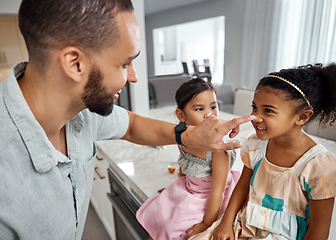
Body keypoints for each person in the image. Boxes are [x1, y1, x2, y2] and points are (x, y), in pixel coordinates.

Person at [0, 0, 255, 239]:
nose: (133, 77)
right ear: (75, 64)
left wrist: (188, 134)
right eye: (125, 64)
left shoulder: (84, 109)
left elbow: (132, 125)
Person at [190, 63, 336, 240]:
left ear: (302, 117)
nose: (255, 117)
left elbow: (319, 228)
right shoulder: (256, 145)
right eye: (254, 107)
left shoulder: (320, 165)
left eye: (268, 110)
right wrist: (225, 223)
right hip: (246, 223)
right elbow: (242, 186)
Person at [136, 78, 241, 240]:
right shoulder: (182, 139)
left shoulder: (219, 148)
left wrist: (206, 224)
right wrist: (174, 193)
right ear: (181, 115)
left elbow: (217, 192)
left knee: (175, 229)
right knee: (160, 218)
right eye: (199, 109)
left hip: (213, 197)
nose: (209, 114)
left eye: (213, 106)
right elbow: (184, 169)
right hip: (190, 189)